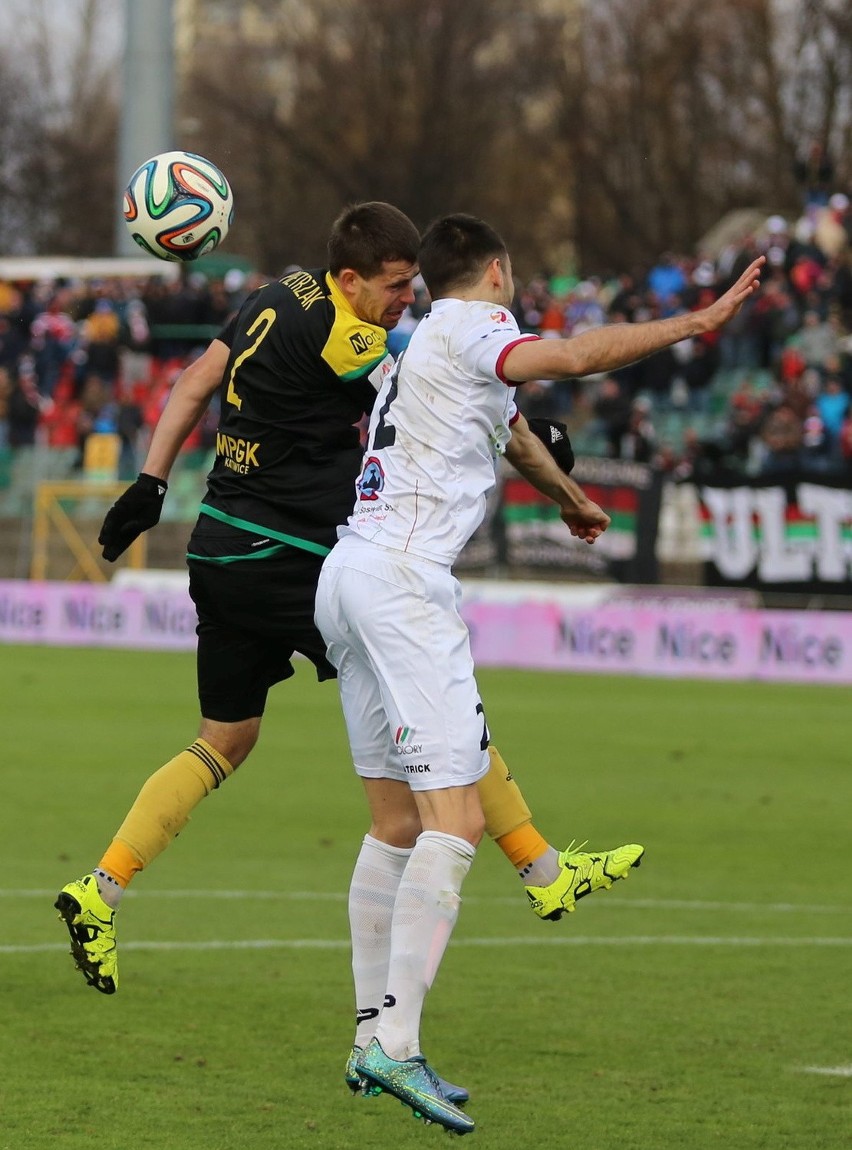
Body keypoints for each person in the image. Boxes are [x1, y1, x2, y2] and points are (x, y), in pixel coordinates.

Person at [54, 202, 643, 1002]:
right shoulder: (351, 340)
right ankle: (543, 871)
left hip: (221, 548)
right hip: (293, 560)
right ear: (350, 279)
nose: (409, 299)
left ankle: (101, 887)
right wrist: (547, 451)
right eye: (397, 286)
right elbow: (432, 388)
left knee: (224, 739)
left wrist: (152, 481)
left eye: (415, 285)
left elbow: (198, 379)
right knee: (436, 704)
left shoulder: (275, 293)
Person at [314, 213, 764, 1133]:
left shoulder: (424, 347)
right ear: (497, 270)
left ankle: (370, 1031)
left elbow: (514, 432)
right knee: (457, 820)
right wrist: (693, 324)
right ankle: (393, 1049)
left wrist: (570, 499)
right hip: (403, 584)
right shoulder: (478, 325)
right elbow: (567, 358)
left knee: (396, 822)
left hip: (348, 573)